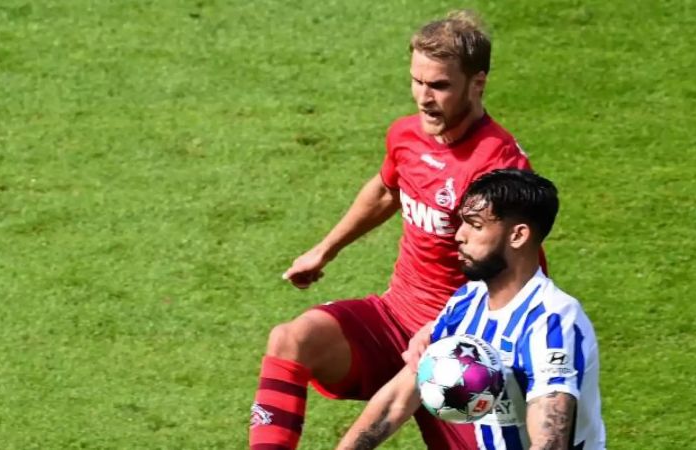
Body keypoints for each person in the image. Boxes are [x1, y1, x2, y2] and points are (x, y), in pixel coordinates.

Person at [249, 11, 541, 450]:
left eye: (439, 85)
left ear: (477, 83)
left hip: (463, 350)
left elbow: (517, 270)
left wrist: (465, 343)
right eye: (417, 81)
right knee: (291, 339)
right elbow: (387, 191)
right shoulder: (407, 136)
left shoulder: (498, 168)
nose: (424, 98)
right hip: (393, 319)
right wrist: (325, 250)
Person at [336, 169, 606, 450]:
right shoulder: (467, 301)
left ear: (518, 235)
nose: (459, 236)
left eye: (475, 225)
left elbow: (550, 442)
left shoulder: (552, 321)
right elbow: (400, 397)